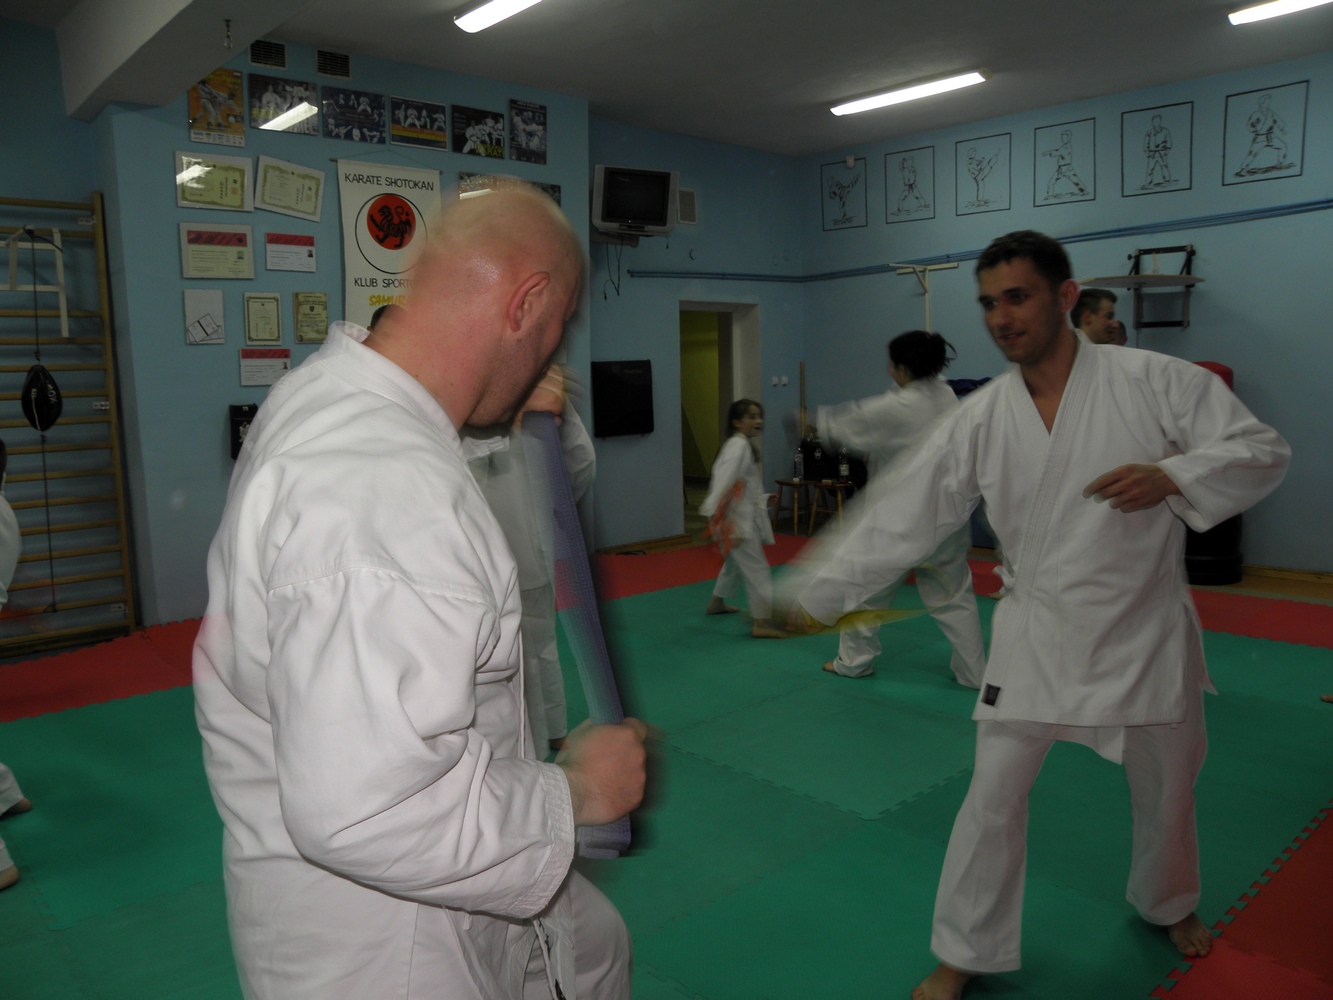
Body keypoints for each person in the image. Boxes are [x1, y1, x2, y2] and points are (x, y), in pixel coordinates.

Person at [787, 230, 1290, 1000]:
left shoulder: (1156, 380)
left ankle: (1167, 902)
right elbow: (905, 511)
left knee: (1167, 791)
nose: (1000, 317)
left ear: (1064, 296)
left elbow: (1260, 450)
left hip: (1142, 627)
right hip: (1037, 631)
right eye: (988, 302)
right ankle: (965, 950)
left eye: (1016, 297)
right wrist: (812, 594)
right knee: (990, 799)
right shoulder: (982, 414)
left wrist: (1174, 474)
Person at [193, 185, 648, 1000]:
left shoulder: (333, 400)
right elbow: (368, 811)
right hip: (387, 941)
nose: (554, 350)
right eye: (560, 323)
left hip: (418, 878)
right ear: (525, 304)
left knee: (597, 947)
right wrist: (578, 791)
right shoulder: (383, 489)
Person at [811, 331, 985, 686]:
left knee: (866, 590)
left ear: (903, 368)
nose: (889, 369)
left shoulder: (900, 406)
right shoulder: (945, 394)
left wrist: (812, 420)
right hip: (946, 516)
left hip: (902, 519)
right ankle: (974, 672)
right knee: (954, 596)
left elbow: (849, 423)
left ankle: (853, 662)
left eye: (892, 364)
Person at [469, 364, 596, 754]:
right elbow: (582, 463)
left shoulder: (470, 403)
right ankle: (554, 729)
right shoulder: (537, 395)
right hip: (529, 547)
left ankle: (536, 742)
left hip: (488, 553)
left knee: (498, 656)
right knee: (540, 646)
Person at [701, 399, 784, 638]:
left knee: (734, 564)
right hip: (733, 521)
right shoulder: (738, 446)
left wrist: (763, 499)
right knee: (758, 569)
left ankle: (716, 603)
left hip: (734, 517)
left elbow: (743, 487)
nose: (758, 421)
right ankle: (761, 623)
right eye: (751, 417)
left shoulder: (739, 445)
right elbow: (723, 482)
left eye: (759, 416)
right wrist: (717, 516)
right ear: (737, 422)